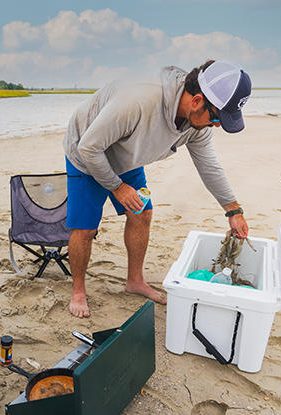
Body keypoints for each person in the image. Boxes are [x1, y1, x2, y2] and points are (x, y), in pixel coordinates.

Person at [63, 60, 251, 318]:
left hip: (128, 153)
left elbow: (209, 165)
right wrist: (117, 187)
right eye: (217, 117)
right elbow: (89, 148)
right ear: (197, 101)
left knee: (143, 214)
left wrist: (233, 211)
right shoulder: (138, 100)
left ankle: (135, 281)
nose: (217, 125)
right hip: (87, 152)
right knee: (85, 227)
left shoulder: (198, 124)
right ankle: (78, 291)